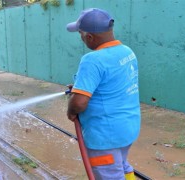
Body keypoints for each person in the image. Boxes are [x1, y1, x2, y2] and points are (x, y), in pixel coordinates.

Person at [66, 8, 141, 180]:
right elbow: (113, 83)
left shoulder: (92, 60)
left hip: (105, 136)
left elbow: (78, 104)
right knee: (121, 163)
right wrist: (81, 88)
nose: (81, 38)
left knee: (109, 174)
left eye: (80, 34)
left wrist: (71, 110)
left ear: (89, 37)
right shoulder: (127, 52)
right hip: (127, 128)